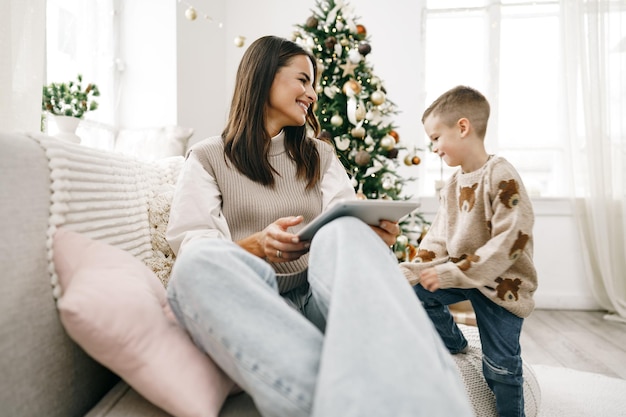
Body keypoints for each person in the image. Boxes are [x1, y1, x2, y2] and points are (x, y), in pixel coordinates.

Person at [165, 35, 473, 417]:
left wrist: (373, 235)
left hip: (318, 301)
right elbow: (193, 242)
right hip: (253, 308)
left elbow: (347, 221)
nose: (313, 93)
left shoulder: (319, 156)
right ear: (263, 78)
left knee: (342, 230)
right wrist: (258, 246)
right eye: (303, 79)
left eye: (314, 83)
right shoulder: (208, 157)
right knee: (195, 265)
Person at [400, 85, 538, 417]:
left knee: (501, 368)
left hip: (504, 288)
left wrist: (453, 272)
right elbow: (437, 241)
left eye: (435, 138)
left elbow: (510, 243)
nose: (432, 148)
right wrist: (411, 270)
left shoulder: (501, 176)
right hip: (463, 275)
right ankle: (456, 345)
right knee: (416, 291)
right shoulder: (451, 187)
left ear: (463, 128)